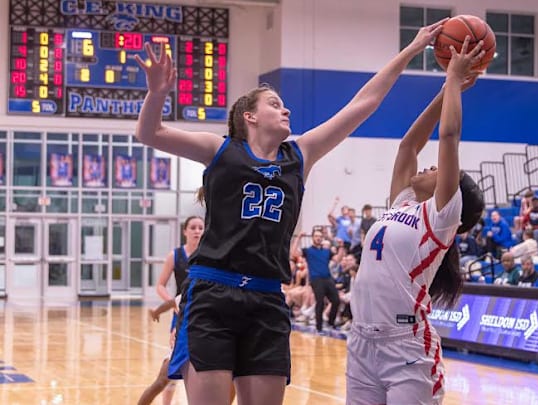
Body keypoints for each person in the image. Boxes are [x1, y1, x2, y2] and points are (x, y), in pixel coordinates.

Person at [133, 18, 448, 404]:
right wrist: (156, 93)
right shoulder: (221, 151)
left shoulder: (299, 155)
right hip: (213, 294)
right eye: (275, 104)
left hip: (266, 299)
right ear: (250, 116)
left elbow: (364, 103)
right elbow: (150, 134)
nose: (286, 110)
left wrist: (412, 49)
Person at [347, 37, 485, 404]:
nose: (429, 165)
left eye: (439, 167)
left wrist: (455, 80)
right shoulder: (404, 201)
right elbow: (408, 145)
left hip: (406, 346)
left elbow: (449, 135)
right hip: (360, 340)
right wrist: (444, 90)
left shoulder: (440, 219)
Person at [138, 216, 204, 405]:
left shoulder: (208, 257)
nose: (197, 231)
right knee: (168, 376)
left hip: (201, 315)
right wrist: (170, 305)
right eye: (193, 227)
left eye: (201, 227)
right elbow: (161, 286)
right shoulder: (175, 255)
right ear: (185, 231)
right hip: (182, 314)